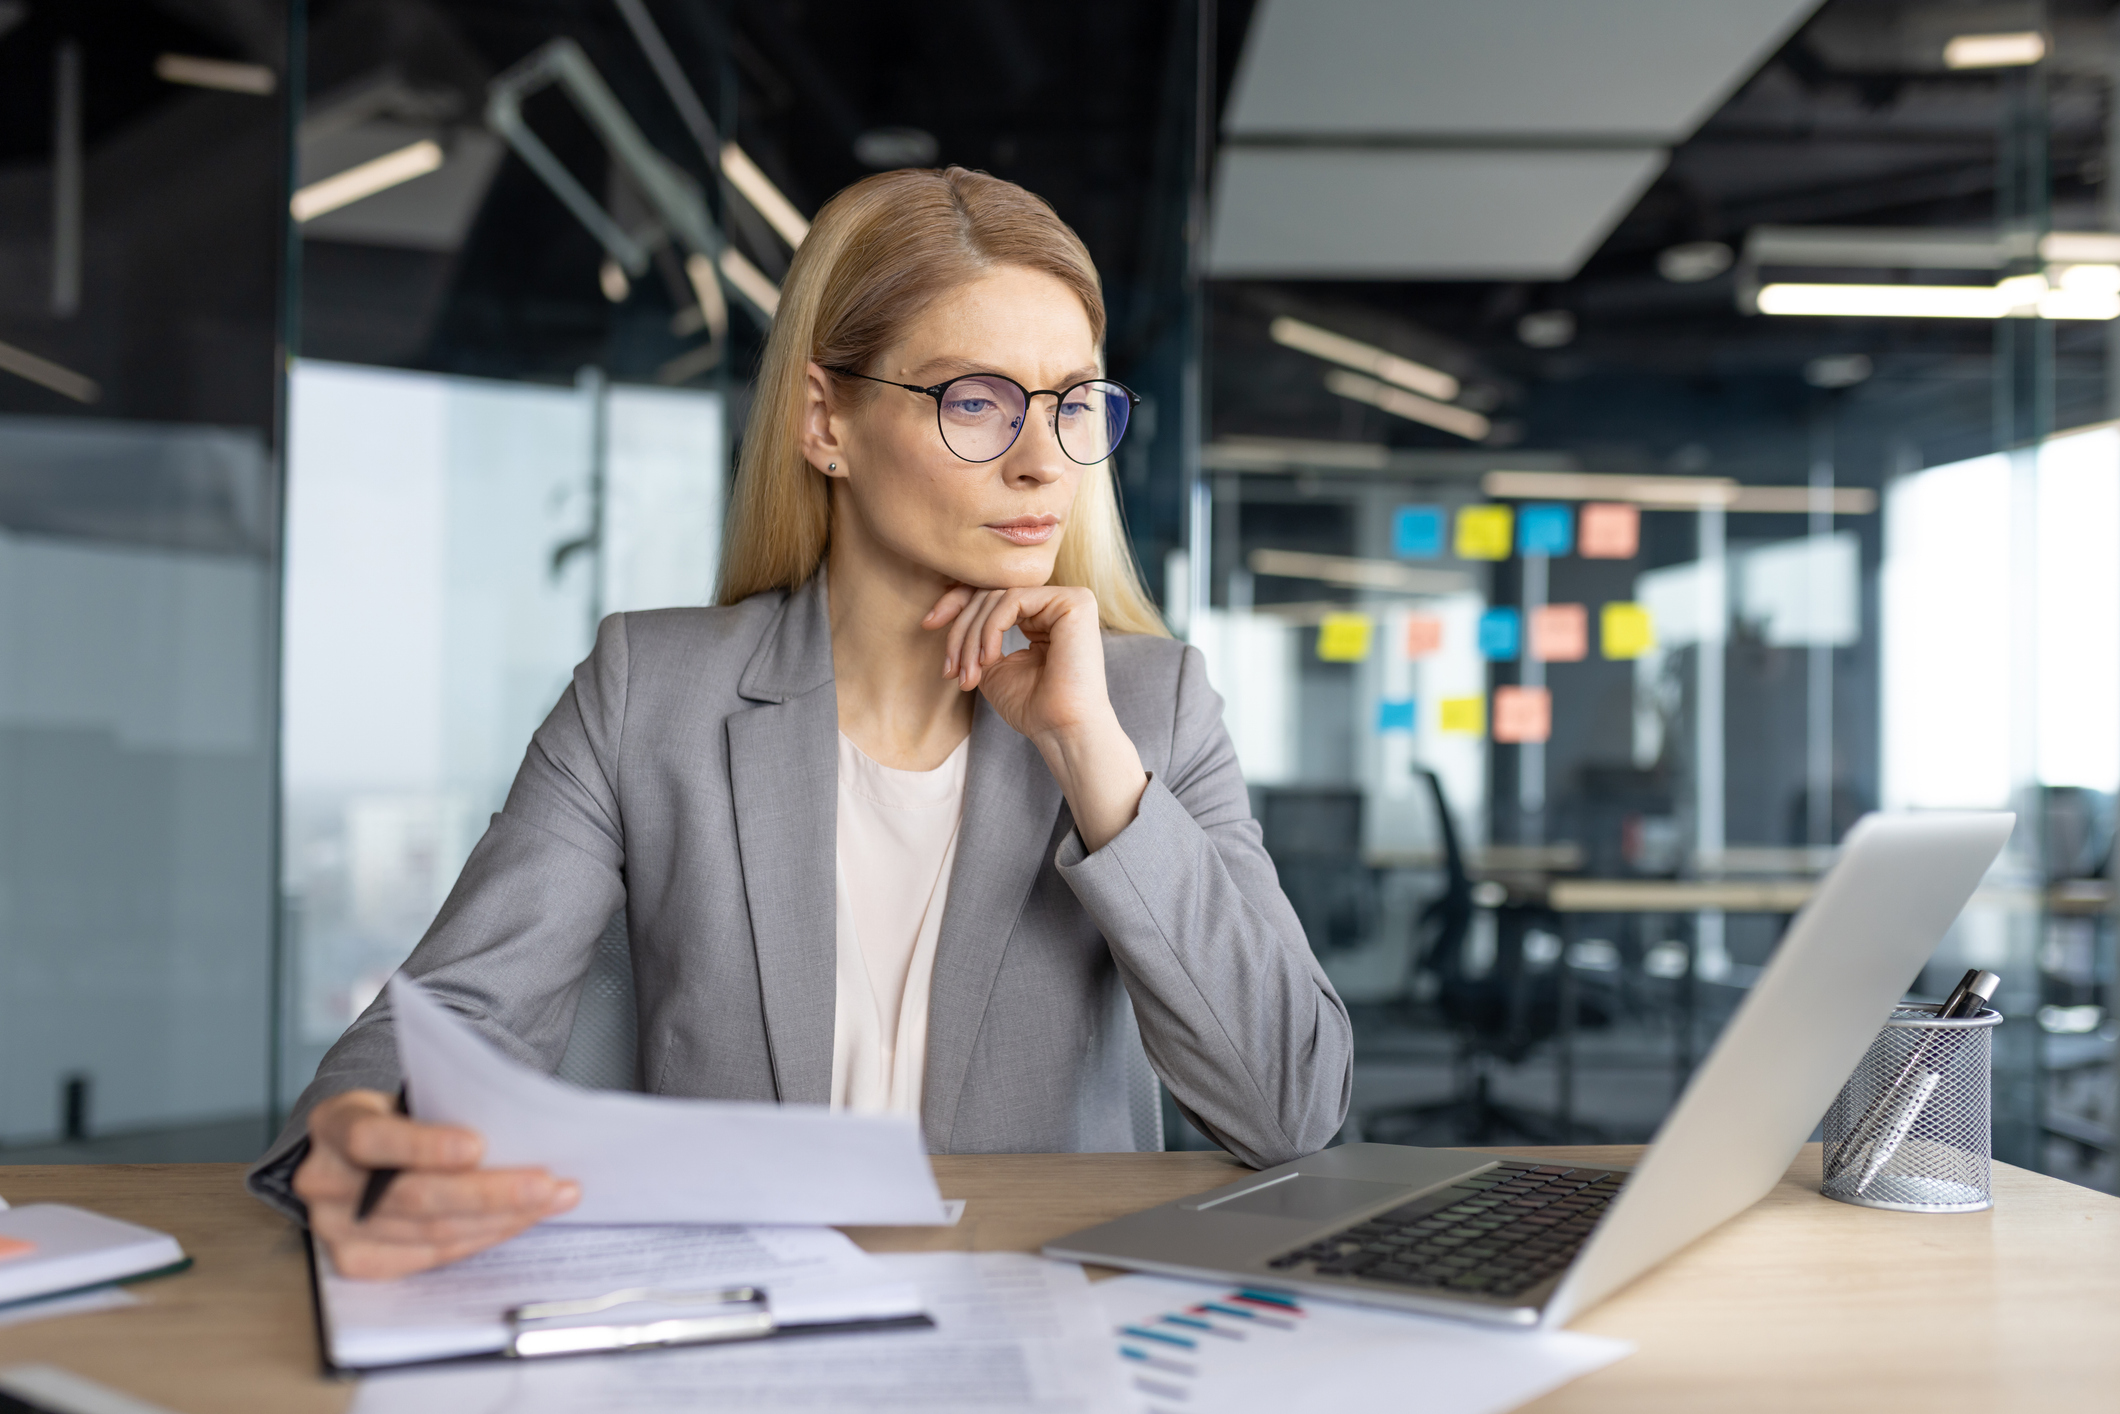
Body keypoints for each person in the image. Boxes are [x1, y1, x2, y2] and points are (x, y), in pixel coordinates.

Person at [248, 166, 1351, 1278]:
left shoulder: (1149, 708)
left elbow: (1290, 1106)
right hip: (734, 1327)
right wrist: (355, 1138)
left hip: (1046, 1337)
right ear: (825, 420)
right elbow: (447, 1018)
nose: (1039, 458)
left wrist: (1088, 754)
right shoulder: (650, 692)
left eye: (1071, 404)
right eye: (976, 401)